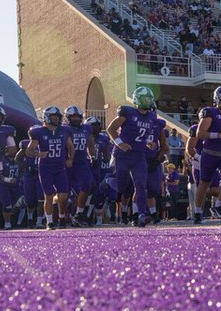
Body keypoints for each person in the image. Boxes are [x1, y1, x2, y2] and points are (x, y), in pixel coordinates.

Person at [107, 86, 161, 227]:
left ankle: (142, 214)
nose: (148, 101)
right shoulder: (128, 112)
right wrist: (120, 143)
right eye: (145, 99)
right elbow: (110, 129)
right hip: (122, 154)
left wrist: (149, 143)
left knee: (141, 185)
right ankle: (107, 183)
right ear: (137, 100)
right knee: (122, 187)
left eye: (149, 99)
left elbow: (143, 134)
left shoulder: (151, 116)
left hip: (139, 155)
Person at [193, 85, 221, 223]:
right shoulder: (210, 112)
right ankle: (197, 213)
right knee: (204, 183)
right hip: (210, 153)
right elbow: (200, 133)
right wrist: (217, 135)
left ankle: (218, 206)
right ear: (218, 99)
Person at [27, 106, 76, 229]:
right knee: (48, 195)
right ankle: (49, 222)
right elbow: (28, 151)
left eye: (57, 117)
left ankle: (61, 216)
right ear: (47, 117)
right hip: (45, 167)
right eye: (53, 117)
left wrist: (70, 159)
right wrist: (39, 154)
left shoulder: (64, 130)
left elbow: (71, 147)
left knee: (63, 196)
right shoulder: (39, 132)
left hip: (60, 167)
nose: (56, 119)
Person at [64, 106, 96, 225]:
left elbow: (90, 144)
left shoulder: (86, 128)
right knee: (64, 193)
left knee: (87, 185)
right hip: (66, 162)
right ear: (68, 118)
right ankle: (62, 216)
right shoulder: (64, 129)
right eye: (73, 117)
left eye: (78, 117)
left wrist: (92, 156)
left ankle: (78, 213)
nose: (76, 119)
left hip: (81, 162)